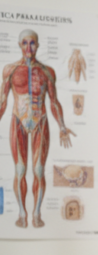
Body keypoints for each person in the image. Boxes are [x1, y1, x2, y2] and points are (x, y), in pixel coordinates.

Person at [0, 29, 75, 228]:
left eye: (32, 43)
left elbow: (54, 101)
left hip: (40, 121)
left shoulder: (47, 72)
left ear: (38, 45)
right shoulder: (10, 70)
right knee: (20, 169)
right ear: (19, 45)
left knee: (39, 170)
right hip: (19, 121)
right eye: (24, 43)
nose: (29, 47)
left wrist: (62, 126)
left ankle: (37, 213)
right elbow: (2, 101)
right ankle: (22, 213)